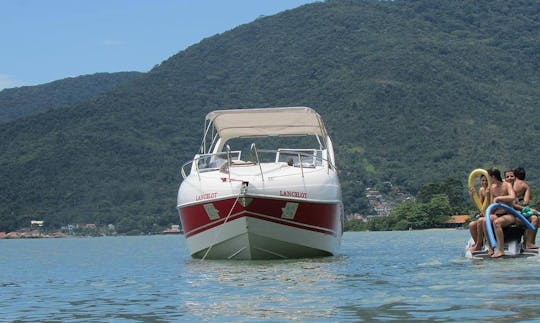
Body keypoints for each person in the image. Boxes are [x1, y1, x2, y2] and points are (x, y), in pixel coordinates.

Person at [487, 167, 516, 258]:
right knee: (484, 220)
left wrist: (500, 198)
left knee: (497, 222)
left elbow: (512, 197)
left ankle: (501, 250)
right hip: (497, 213)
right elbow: (492, 204)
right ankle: (490, 247)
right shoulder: (492, 188)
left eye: (489, 177)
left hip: (509, 214)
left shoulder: (506, 185)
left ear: (493, 177)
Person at [511, 167, 539, 249]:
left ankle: (527, 243)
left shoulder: (506, 184)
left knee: (533, 217)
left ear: (515, 175)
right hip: (517, 214)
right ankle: (529, 243)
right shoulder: (524, 185)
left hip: (510, 213)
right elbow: (526, 202)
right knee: (535, 218)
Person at [468, 175, 489, 251]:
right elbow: (479, 205)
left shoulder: (493, 188)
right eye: (483, 180)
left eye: (486, 180)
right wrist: (472, 197)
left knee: (481, 221)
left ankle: (479, 245)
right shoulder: (481, 190)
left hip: (492, 213)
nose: (485, 182)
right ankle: (478, 243)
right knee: (471, 225)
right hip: (484, 213)